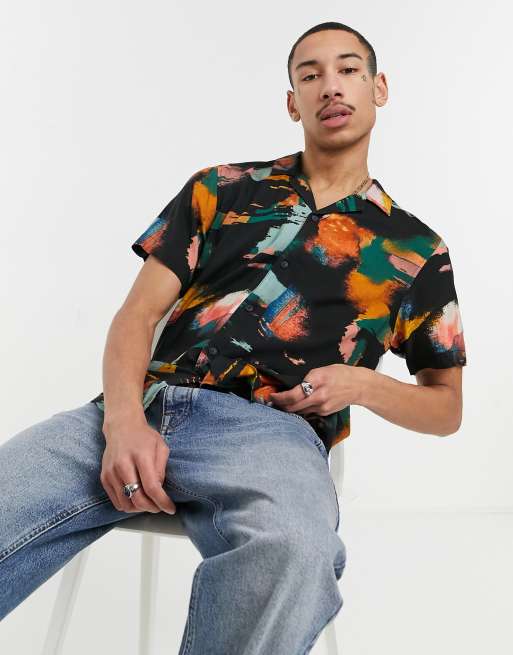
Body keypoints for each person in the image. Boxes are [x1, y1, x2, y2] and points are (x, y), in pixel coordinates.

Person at [0, 20, 466, 653]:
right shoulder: (220, 188)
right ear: (292, 102)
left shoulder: (415, 249)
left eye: (349, 70)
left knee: (295, 552)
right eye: (310, 75)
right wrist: (123, 422)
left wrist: (360, 384)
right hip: (145, 407)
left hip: (271, 438)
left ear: (378, 88)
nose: (331, 86)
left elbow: (445, 408)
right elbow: (136, 316)